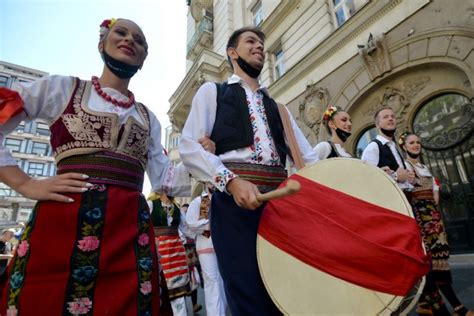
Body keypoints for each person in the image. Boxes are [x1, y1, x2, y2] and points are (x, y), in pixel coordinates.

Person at [0, 18, 202, 315]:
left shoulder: (148, 117)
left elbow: (165, 180)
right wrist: (25, 183)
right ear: (101, 44)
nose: (129, 40)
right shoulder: (63, 89)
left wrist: (208, 160)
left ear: (144, 58)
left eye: (139, 39)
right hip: (62, 229)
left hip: (129, 237)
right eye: (121, 33)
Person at [179, 26, 318, 315]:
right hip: (233, 205)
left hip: (281, 205)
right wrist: (230, 182)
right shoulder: (212, 92)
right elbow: (190, 146)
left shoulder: (279, 108)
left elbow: (308, 158)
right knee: (247, 295)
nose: (259, 47)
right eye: (251, 42)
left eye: (261, 44)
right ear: (232, 53)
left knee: (289, 290)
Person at [399, 132, 473, 316]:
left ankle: (425, 304)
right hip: (422, 225)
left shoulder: (424, 167)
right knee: (432, 267)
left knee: (440, 265)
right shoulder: (406, 167)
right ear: (404, 146)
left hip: (435, 221)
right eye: (412, 143)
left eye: (418, 142)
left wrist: (435, 191)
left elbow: (435, 194)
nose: (416, 145)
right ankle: (457, 307)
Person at [186, 188, 227, 316]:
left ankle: (222, 312)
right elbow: (191, 223)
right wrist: (213, 224)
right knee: (211, 281)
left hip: (224, 246)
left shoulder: (224, 198)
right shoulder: (197, 201)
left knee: (223, 281)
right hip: (206, 246)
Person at [147, 193, 190, 316]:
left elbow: (186, 229)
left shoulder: (177, 208)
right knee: (161, 286)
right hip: (159, 250)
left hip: (176, 252)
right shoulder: (151, 204)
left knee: (178, 288)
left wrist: (206, 229)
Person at [361, 106, 415, 189]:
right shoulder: (373, 147)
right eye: (385, 117)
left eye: (393, 116)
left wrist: (408, 178)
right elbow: (367, 179)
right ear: (377, 125)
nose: (390, 119)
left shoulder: (394, 146)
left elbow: (401, 178)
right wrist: (396, 176)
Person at [180, 203, 203, 314]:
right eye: (184, 211)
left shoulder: (190, 219)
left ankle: (194, 304)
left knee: (193, 275)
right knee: (182, 277)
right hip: (181, 248)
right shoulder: (180, 218)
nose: (186, 212)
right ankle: (184, 306)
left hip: (191, 249)